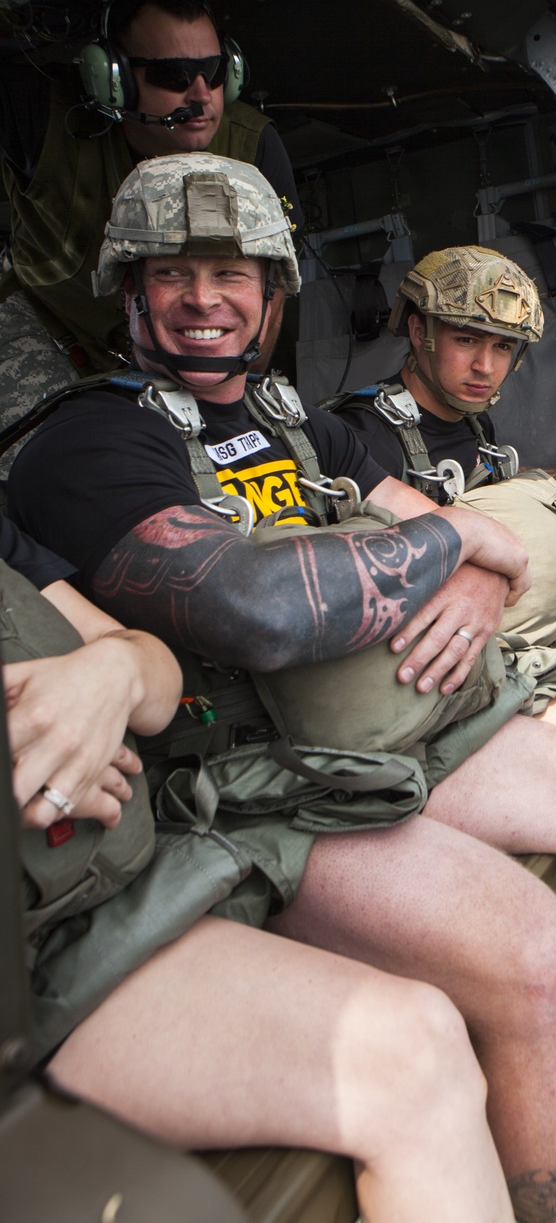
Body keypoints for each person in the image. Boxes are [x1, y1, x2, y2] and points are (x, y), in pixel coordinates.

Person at [8, 155, 556, 1223]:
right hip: (253, 777)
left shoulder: (291, 422)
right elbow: (253, 605)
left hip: (370, 718)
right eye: (173, 274)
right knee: (522, 945)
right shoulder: (95, 441)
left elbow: (444, 526)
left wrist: (466, 565)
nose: (204, 300)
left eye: (231, 273)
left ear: (272, 292)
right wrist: (455, 541)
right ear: (130, 291)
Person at [3, 507, 516, 1223]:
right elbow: (259, 608)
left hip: (78, 920)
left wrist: (108, 674)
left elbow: (150, 673)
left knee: (419, 1046)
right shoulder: (89, 446)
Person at [0, 0, 303, 453]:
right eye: (174, 76)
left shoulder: (253, 149)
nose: (202, 95)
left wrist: (234, 401)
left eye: (215, 71)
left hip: (179, 343)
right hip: (51, 329)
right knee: (44, 466)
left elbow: (272, 286)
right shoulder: (42, 116)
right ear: (112, 80)